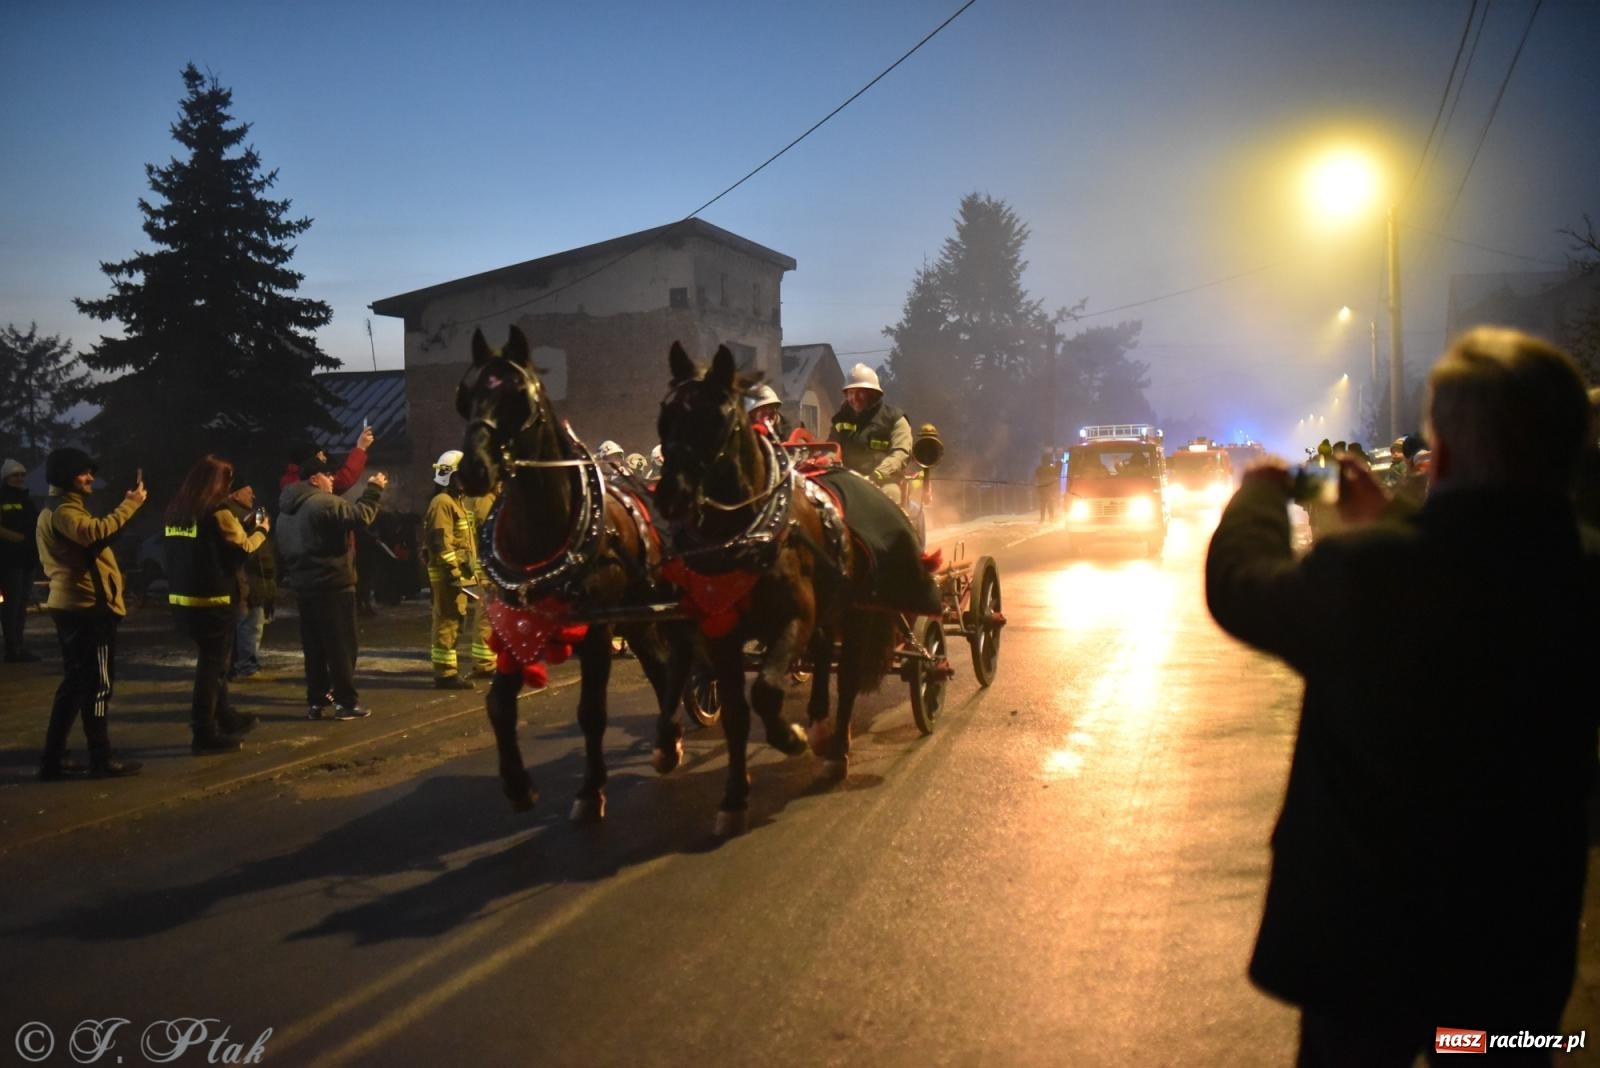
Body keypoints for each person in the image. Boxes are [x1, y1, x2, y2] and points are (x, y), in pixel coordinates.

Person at [1206, 327, 1600, 1065]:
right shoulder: (1581, 576)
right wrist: (1389, 521)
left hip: (1363, 963)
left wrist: (1257, 500)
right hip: (1513, 957)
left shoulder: (1369, 574)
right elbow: (1484, 562)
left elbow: (1241, 590)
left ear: (1441, 450)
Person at [36, 447, 147, 779]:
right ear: (66, 475)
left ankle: (53, 759)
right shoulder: (64, 512)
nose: (90, 478)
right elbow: (96, 532)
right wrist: (131, 504)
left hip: (76, 606)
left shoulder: (59, 509)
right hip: (86, 609)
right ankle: (101, 757)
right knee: (98, 685)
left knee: (74, 685)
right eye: (83, 472)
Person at [164, 455, 269, 753]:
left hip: (184, 600)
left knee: (214, 664)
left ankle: (225, 716)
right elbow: (241, 548)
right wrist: (261, 530)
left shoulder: (177, 511)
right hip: (215, 600)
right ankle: (204, 732)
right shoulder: (216, 512)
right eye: (227, 481)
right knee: (212, 668)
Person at [276, 453, 385, 721]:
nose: (333, 480)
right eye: (329, 475)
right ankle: (345, 701)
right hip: (333, 585)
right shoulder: (322, 503)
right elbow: (360, 517)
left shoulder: (286, 510)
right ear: (315, 479)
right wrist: (373, 490)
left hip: (305, 586)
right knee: (341, 646)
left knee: (314, 647)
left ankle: (317, 700)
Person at [424, 449, 478, 689]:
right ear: (450, 476)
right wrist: (453, 572)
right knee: (446, 620)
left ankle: (449, 670)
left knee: (455, 620)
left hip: (456, 574)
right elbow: (440, 542)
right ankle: (445, 674)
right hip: (448, 575)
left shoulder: (456, 502)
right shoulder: (442, 503)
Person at [224, 480, 277, 680]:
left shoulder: (240, 514)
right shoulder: (235, 517)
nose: (252, 497)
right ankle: (247, 666)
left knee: (246, 624)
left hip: (252, 579)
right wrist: (259, 528)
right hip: (249, 579)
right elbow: (249, 550)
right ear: (234, 494)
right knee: (250, 624)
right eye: (248, 492)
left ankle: (239, 665)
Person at [829, 363, 911, 484]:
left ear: (873, 394)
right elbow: (831, 448)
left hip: (883, 482)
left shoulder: (895, 419)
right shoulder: (840, 420)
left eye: (860, 392)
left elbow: (900, 454)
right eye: (851, 393)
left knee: (891, 495)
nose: (854, 398)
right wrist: (824, 460)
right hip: (846, 482)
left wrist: (877, 475)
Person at [1, 457, 42, 662]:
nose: (19, 478)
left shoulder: (26, 499)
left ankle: (19, 645)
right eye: (15, 475)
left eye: (22, 475)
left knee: (21, 604)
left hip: (26, 559)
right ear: (6, 476)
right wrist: (15, 538)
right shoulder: (2, 498)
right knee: (12, 604)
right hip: (9, 560)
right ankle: (12, 647)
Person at [463, 481, 499, 677]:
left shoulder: (470, 499)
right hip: (488, 566)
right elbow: (492, 531)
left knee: (488, 614)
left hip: (481, 564)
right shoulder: (484, 500)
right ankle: (485, 663)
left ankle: (487, 659)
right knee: (487, 615)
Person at [277, 426, 374, 495]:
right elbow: (343, 480)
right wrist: (360, 448)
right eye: (327, 475)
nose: (331, 478)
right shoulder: (305, 485)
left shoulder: (290, 482)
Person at [1032, 450, 1060, 522]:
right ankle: (1051, 518)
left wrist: (1036, 489)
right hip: (1050, 488)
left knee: (1043, 504)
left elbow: (1036, 478)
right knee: (1050, 503)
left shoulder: (1039, 469)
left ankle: (1042, 518)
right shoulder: (1051, 469)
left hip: (1042, 488)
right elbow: (1056, 476)